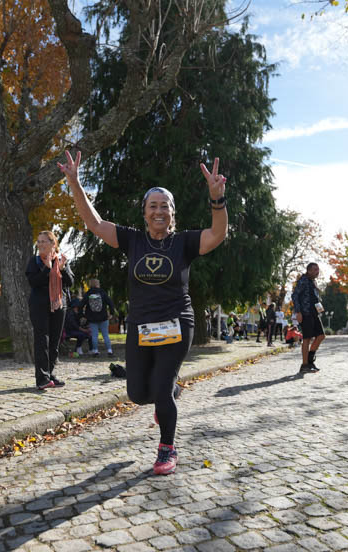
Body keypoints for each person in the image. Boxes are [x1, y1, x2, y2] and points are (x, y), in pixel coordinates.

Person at [59, 149, 228, 475]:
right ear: (145, 213)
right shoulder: (133, 240)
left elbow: (217, 234)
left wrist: (217, 200)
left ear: (172, 213)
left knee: (161, 389)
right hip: (141, 325)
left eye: (165, 205)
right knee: (137, 394)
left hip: (177, 322)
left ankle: (167, 448)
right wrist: (75, 184)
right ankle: (170, 392)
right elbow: (93, 223)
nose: (159, 210)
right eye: (153, 206)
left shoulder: (184, 243)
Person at [26, 230, 74, 390]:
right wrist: (47, 269)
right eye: (38, 241)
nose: (40, 244)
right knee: (42, 340)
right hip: (39, 305)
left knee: (54, 341)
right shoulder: (35, 262)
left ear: (53, 244)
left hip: (59, 305)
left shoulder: (61, 260)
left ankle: (50, 373)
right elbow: (33, 282)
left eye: (43, 241)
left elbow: (70, 282)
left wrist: (63, 268)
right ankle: (42, 379)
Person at [291, 262, 326, 373]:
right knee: (306, 338)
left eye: (318, 269)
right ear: (309, 270)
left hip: (314, 313)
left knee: (321, 336)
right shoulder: (303, 280)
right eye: (315, 270)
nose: (317, 272)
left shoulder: (313, 281)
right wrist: (298, 312)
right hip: (305, 313)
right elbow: (295, 295)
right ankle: (305, 365)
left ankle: (310, 361)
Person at [80, 278, 116, 356]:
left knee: (94, 336)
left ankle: (95, 351)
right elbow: (110, 303)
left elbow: (81, 305)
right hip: (103, 318)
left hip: (92, 319)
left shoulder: (88, 294)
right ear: (97, 284)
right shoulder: (103, 293)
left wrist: (83, 316)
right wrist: (111, 313)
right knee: (105, 335)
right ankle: (109, 351)